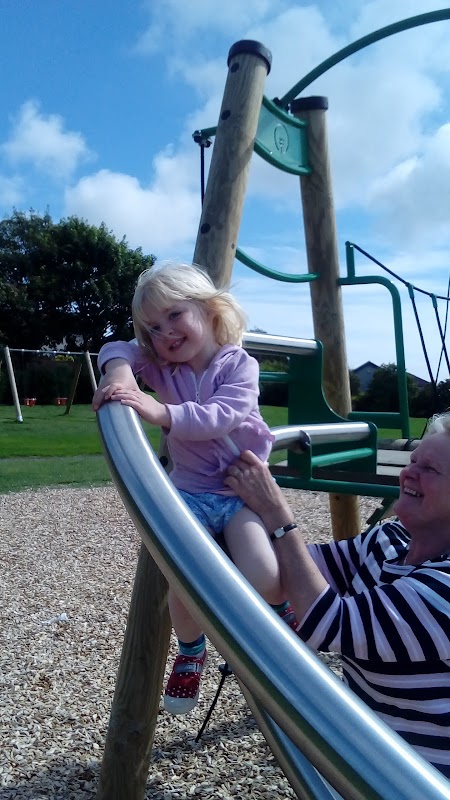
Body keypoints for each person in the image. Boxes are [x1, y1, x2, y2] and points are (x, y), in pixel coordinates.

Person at [92, 260, 299, 715]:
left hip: (237, 492)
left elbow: (223, 416)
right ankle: (191, 652)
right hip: (188, 493)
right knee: (182, 590)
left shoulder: (239, 364)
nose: (166, 332)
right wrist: (120, 373)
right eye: (153, 327)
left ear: (210, 310)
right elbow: (115, 347)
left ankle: (279, 616)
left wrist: (161, 413)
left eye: (175, 314)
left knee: (266, 577)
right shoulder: (164, 367)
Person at [224, 412, 450, 779]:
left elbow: (327, 623)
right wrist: (218, 514)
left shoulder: (445, 588)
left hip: (421, 780)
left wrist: (276, 512)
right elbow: (293, 569)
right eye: (413, 461)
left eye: (430, 469)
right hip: (372, 752)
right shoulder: (391, 539)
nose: (409, 473)